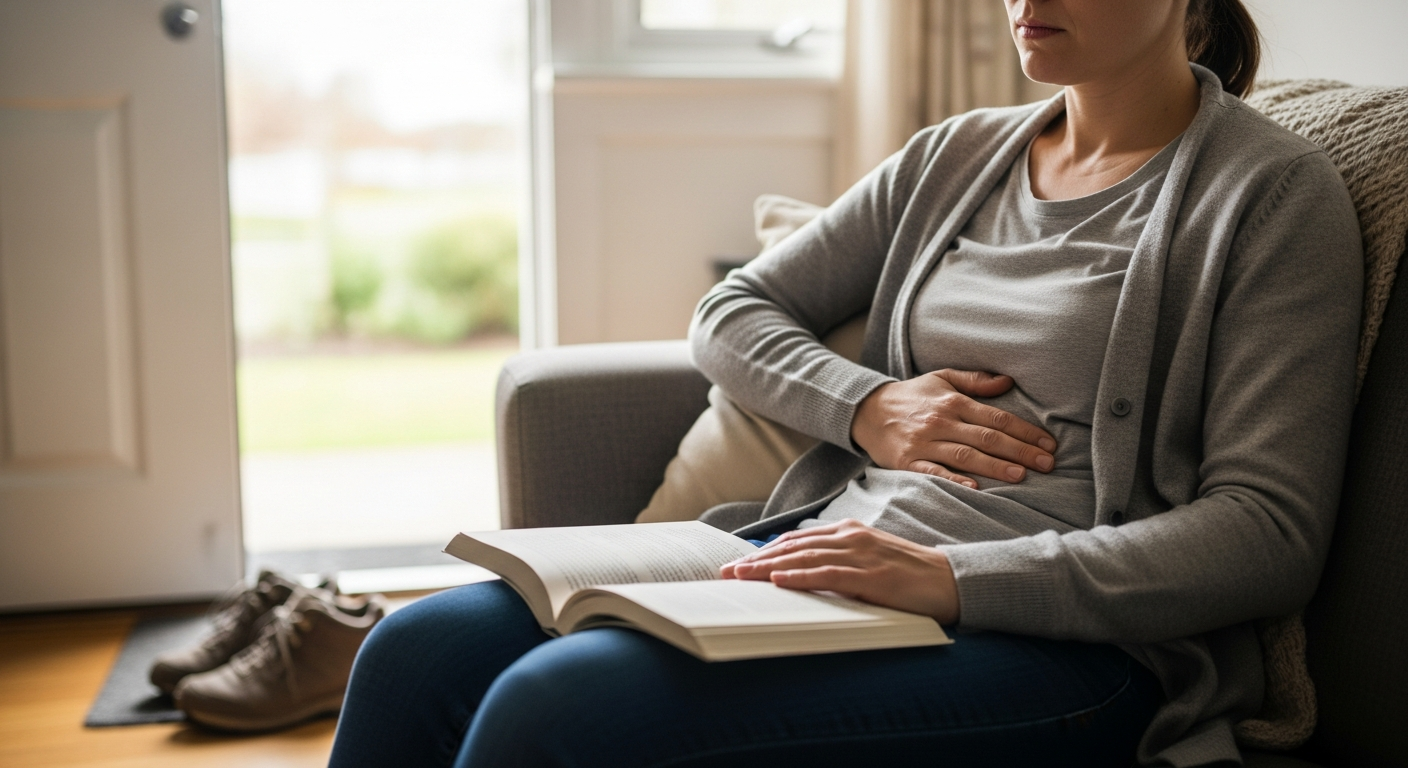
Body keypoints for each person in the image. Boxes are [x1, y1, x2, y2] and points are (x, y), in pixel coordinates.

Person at [328, 0, 1363, 765]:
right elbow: (730, 312)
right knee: (416, 649)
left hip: (1057, 643)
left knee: (563, 712)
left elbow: (1267, 533)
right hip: (817, 570)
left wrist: (952, 580)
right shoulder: (956, 157)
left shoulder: (1271, 197)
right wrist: (866, 408)